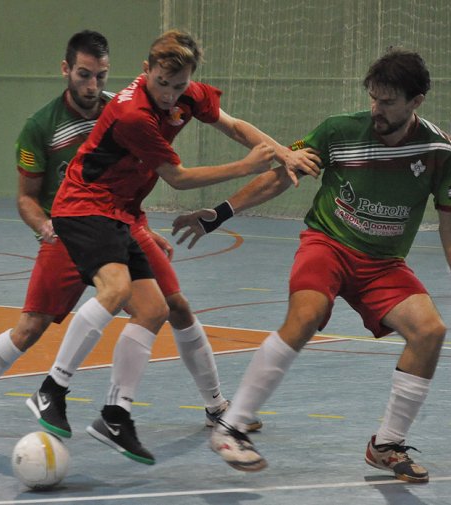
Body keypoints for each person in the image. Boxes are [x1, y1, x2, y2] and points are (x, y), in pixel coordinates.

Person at [172, 49, 451, 482]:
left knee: (430, 331)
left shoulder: (439, 151)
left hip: (382, 263)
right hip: (327, 244)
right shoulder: (339, 131)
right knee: (304, 316)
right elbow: (279, 176)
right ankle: (231, 427)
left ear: (416, 101)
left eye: (388, 102)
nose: (376, 110)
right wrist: (219, 214)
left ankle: (386, 445)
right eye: (373, 99)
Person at [0, 30, 261, 442]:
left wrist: (142, 226)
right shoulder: (44, 127)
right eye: (84, 75)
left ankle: (215, 407)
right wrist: (44, 227)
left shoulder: (134, 108)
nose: (93, 85)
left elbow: (129, 180)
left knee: (173, 306)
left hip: (120, 222)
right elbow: (27, 199)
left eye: (101, 76)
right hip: (67, 229)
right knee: (30, 328)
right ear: (66, 70)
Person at [37, 29, 319, 466]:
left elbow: (233, 125)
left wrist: (282, 152)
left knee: (156, 310)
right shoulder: (133, 114)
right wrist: (245, 167)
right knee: (113, 291)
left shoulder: (188, 94)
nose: (170, 95)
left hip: (122, 212)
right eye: (162, 84)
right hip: (85, 204)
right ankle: (51, 389)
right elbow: (178, 177)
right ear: (146, 71)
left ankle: (115, 414)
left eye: (180, 85)